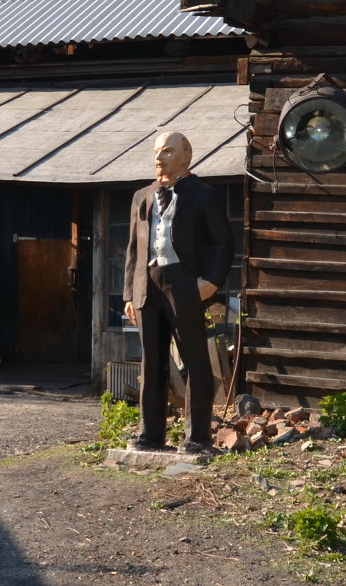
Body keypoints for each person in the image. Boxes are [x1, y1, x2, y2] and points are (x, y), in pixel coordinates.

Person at [122, 130, 234, 455]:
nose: (159, 157)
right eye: (157, 151)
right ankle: (149, 436)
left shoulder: (204, 195)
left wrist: (210, 282)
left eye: (168, 151)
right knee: (151, 363)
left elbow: (222, 243)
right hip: (146, 287)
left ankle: (197, 439)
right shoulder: (141, 196)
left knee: (196, 361)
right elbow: (132, 248)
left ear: (186, 156)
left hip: (184, 284)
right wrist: (129, 293)